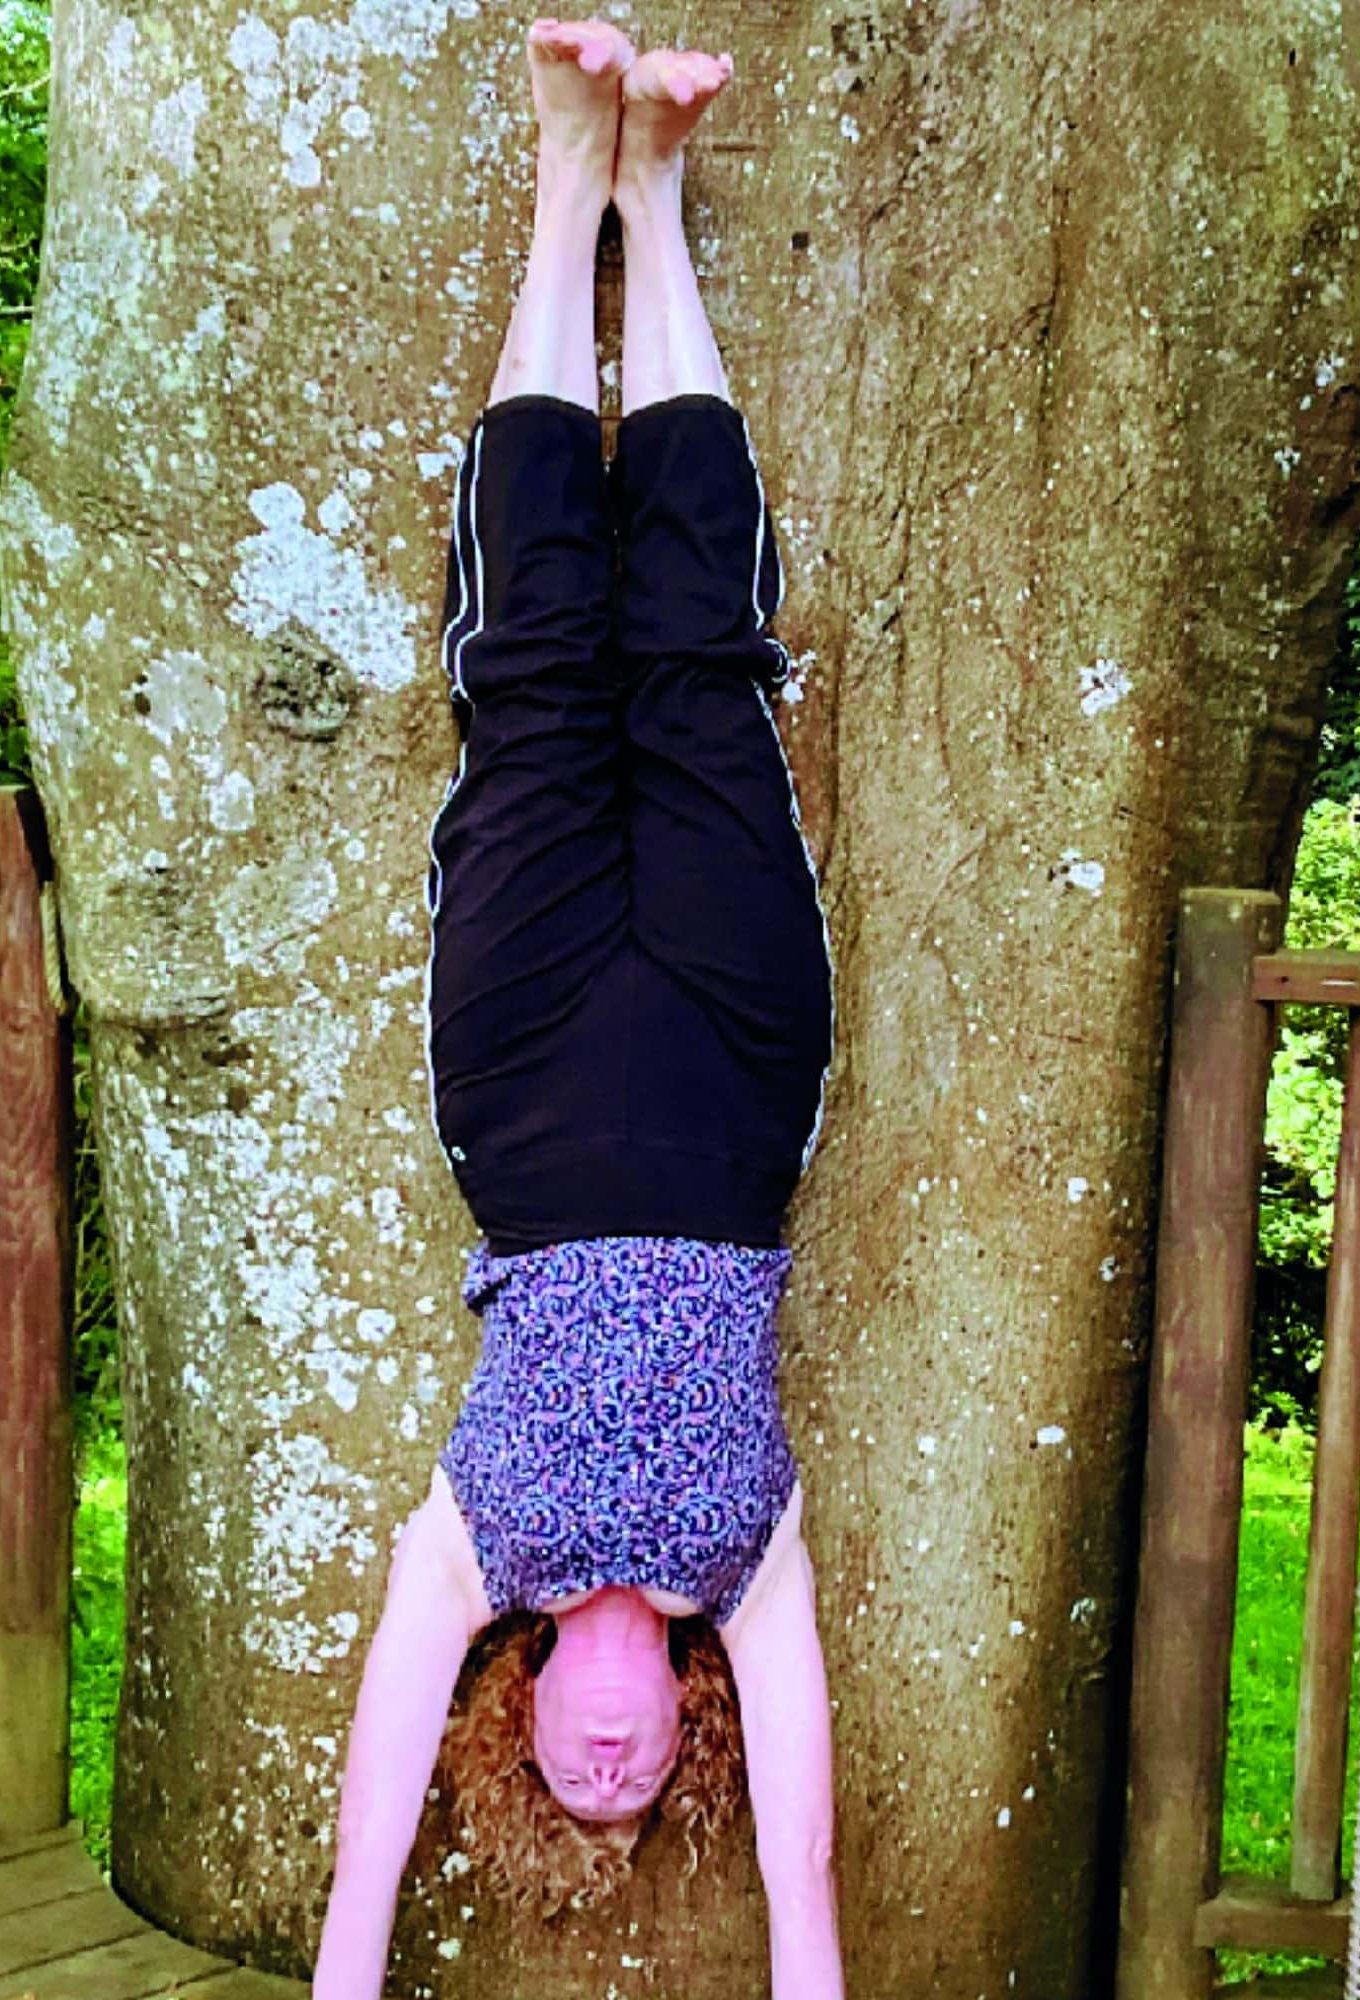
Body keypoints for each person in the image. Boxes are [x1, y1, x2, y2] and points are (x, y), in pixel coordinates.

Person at [313, 20, 841, 1997]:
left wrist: (344, 1976)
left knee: (531, 670)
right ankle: (656, 201)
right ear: (683, 1721)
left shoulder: (471, 1559)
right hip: (729, 1077)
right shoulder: (748, 1568)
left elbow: (371, 1834)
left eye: (572, 1778)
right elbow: (803, 1876)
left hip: (525, 1089)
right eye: (639, 1784)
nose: (608, 1767)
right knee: (700, 667)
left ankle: (567, 182)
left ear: (519, 1714)